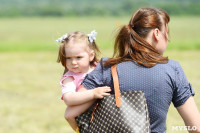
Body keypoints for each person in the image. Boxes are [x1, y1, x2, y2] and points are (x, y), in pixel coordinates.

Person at [73, 7, 200, 132]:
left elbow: (71, 114)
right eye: (166, 32)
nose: (168, 38)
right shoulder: (172, 69)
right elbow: (195, 127)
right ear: (156, 34)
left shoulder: (106, 68)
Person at [56, 30, 111, 131]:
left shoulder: (98, 67)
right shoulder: (69, 78)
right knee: (69, 115)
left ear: (91, 56)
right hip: (87, 119)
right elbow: (68, 98)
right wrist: (93, 94)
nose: (73, 62)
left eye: (78, 57)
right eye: (68, 58)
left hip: (106, 112)